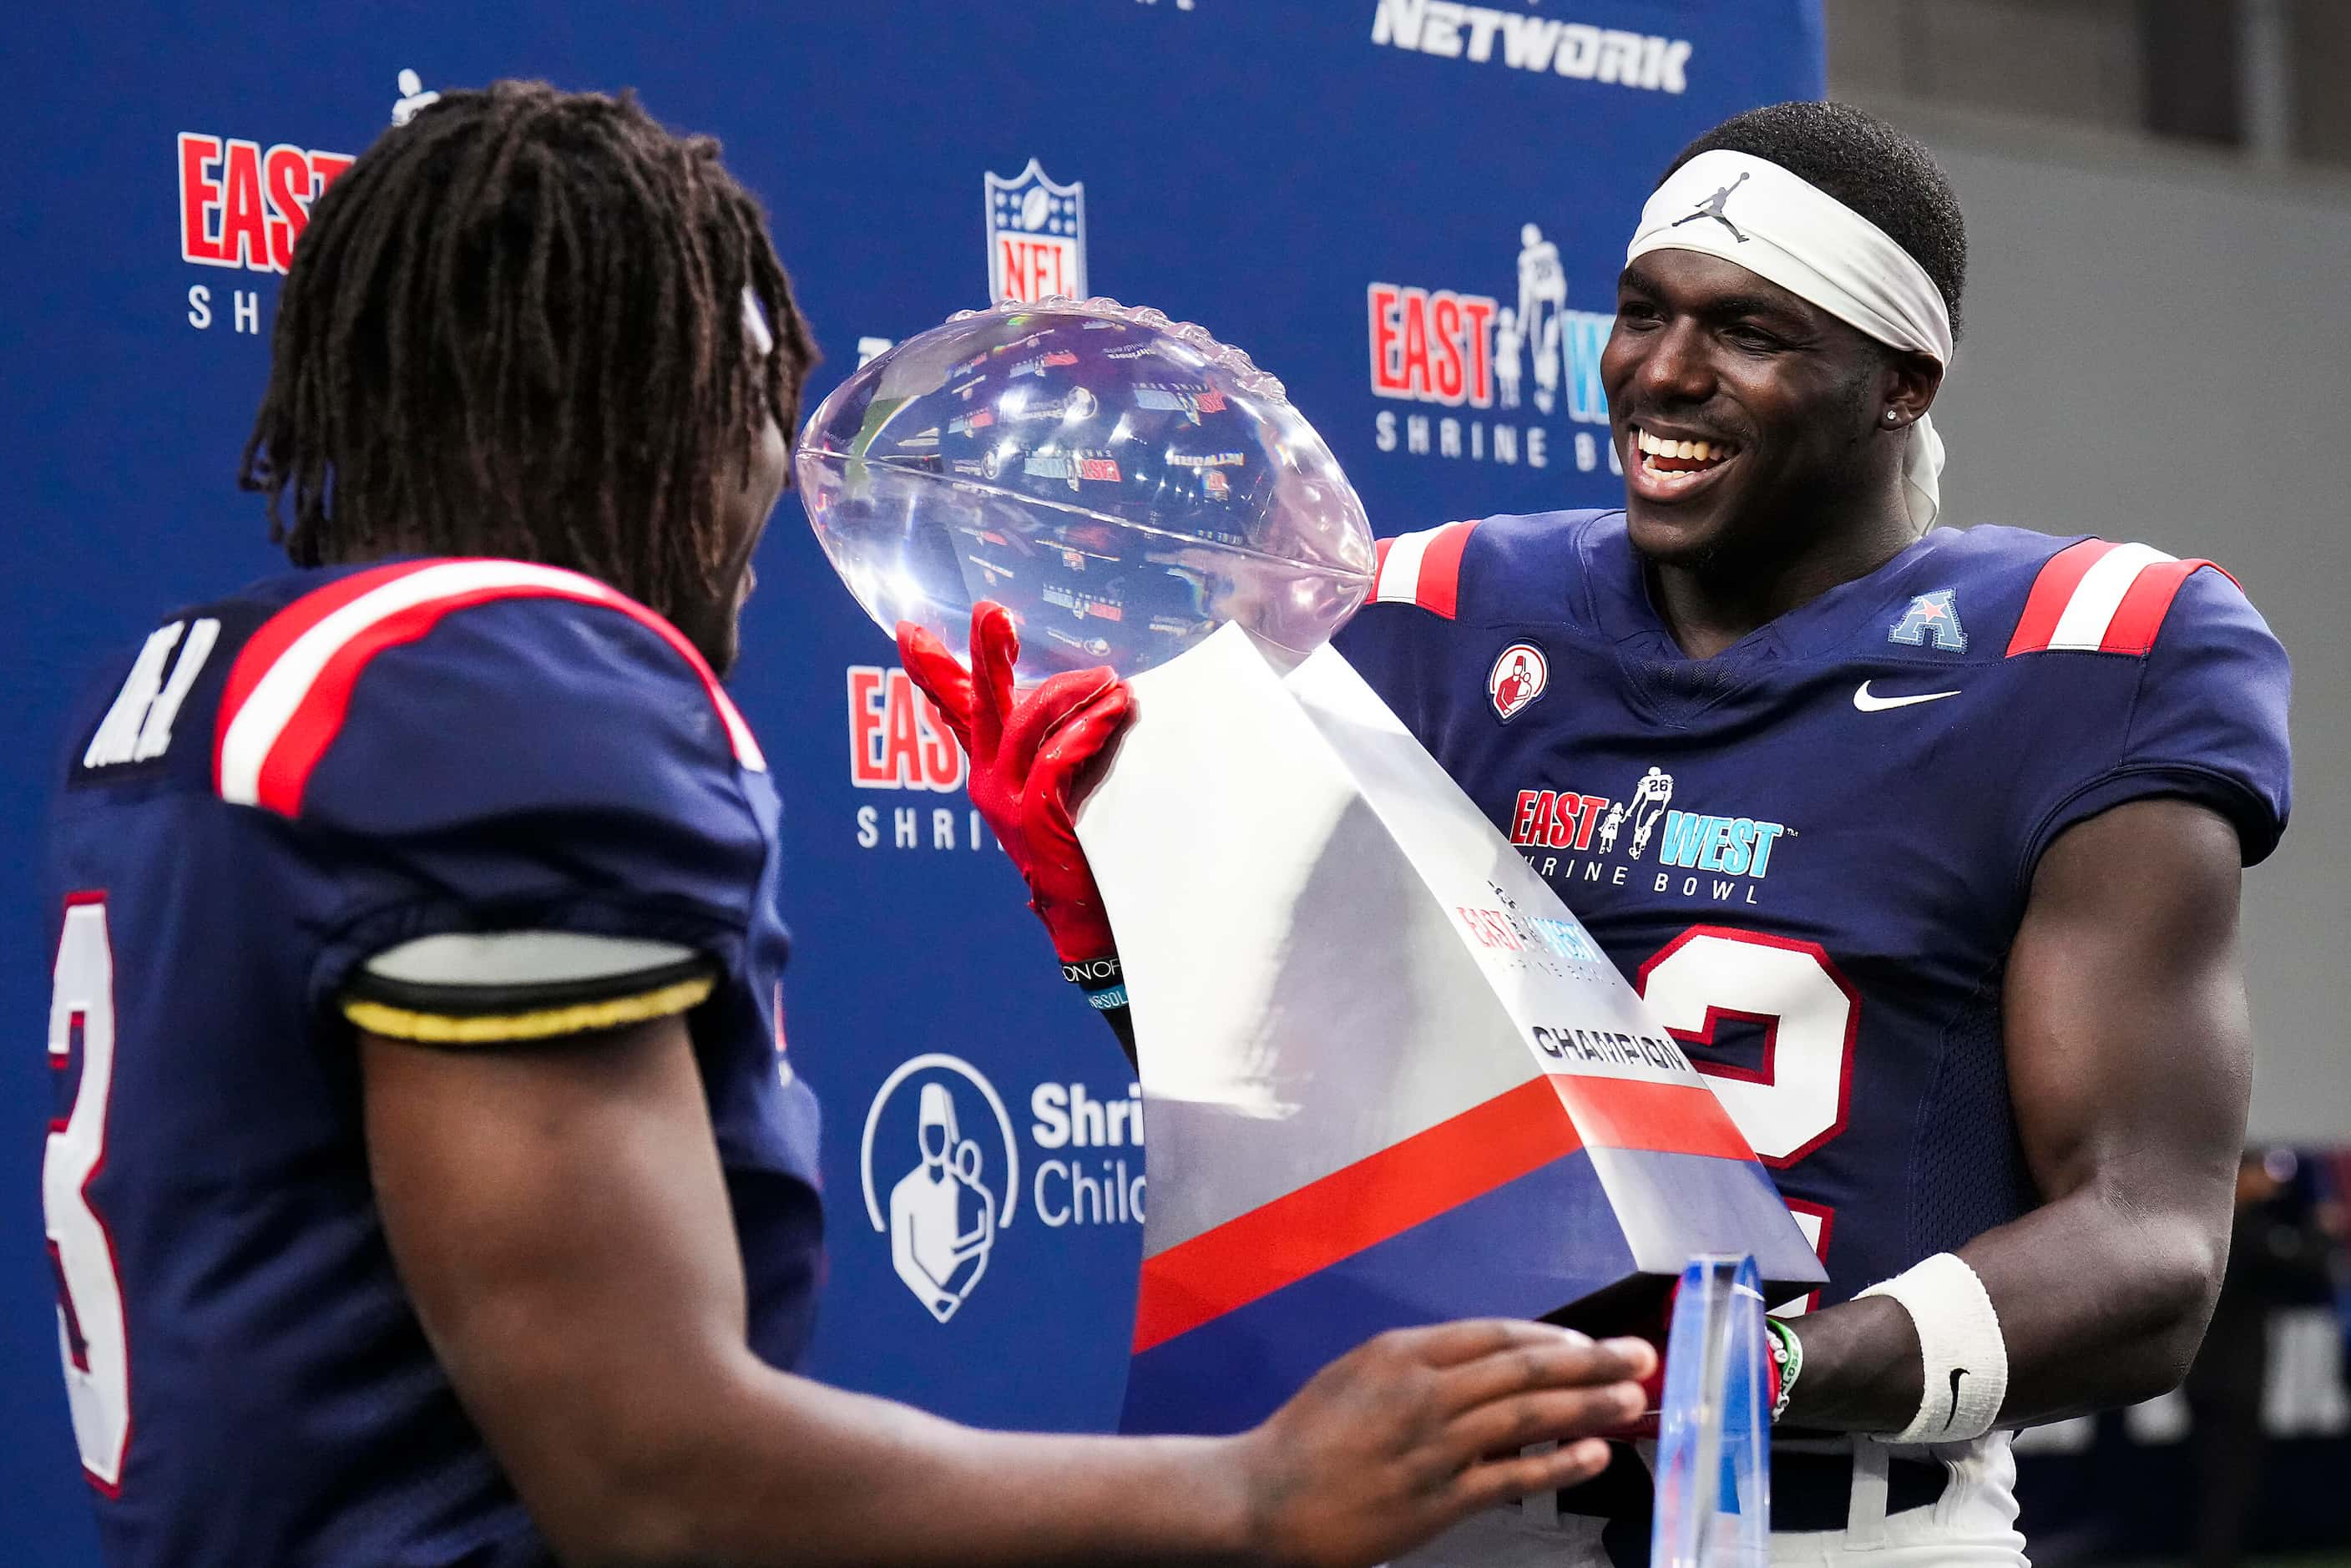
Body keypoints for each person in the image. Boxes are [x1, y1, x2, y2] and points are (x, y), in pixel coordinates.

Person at [35, 80, 1659, 1568]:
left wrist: (1148, 941)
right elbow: (655, 1479)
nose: (777, 485)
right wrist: (1249, 1491)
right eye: (764, 401)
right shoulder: (502, 687)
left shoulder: (222, 679)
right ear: (679, 390)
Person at [904, 101, 2291, 1565]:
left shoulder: (2089, 655)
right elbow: (1322, 1129)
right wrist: (1119, 940)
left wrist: (1757, 1375)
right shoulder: (1424, 620)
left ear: (1901, 382)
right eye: (1644, 312)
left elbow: (2149, 1241)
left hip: (1841, 1528)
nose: (1668, 372)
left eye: (1749, 330)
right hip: (1453, 1522)